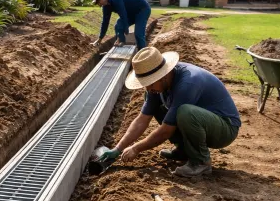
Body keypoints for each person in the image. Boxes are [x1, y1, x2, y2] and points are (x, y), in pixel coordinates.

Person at [99, 46, 241, 177]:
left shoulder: (188, 83)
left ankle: (201, 162)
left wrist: (136, 148)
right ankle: (184, 150)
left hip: (224, 128)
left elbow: (166, 130)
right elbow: (142, 119)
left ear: (163, 75)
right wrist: (118, 149)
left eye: (150, 83)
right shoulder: (158, 87)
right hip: (203, 123)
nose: (148, 89)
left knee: (185, 112)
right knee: (161, 106)